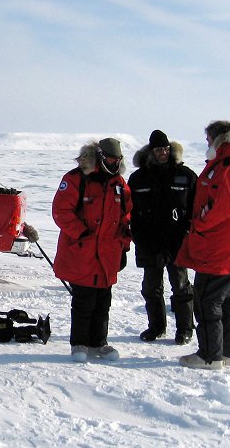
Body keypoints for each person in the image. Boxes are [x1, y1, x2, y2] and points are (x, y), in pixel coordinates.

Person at [175, 120, 230, 369]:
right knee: (226, 301)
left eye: (209, 139)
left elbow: (223, 207)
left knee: (207, 301)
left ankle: (210, 356)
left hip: (219, 248)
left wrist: (198, 223)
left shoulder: (229, 166)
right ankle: (224, 353)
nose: (207, 144)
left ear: (220, 139)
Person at [52, 138, 132, 363]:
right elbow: (61, 211)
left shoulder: (118, 183)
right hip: (82, 251)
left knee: (103, 300)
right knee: (83, 299)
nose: (114, 163)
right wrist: (82, 234)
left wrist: (124, 245)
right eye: (110, 159)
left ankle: (99, 342)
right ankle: (79, 343)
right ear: (99, 156)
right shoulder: (76, 179)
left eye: (118, 160)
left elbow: (127, 215)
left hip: (108, 253)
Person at [128, 130, 198, 345]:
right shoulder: (138, 178)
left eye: (166, 149)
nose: (163, 153)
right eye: (159, 149)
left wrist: (187, 231)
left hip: (177, 241)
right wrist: (137, 235)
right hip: (149, 241)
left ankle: (185, 329)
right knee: (151, 287)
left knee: (181, 286)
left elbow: (196, 206)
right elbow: (129, 210)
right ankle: (156, 327)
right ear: (151, 151)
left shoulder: (185, 175)